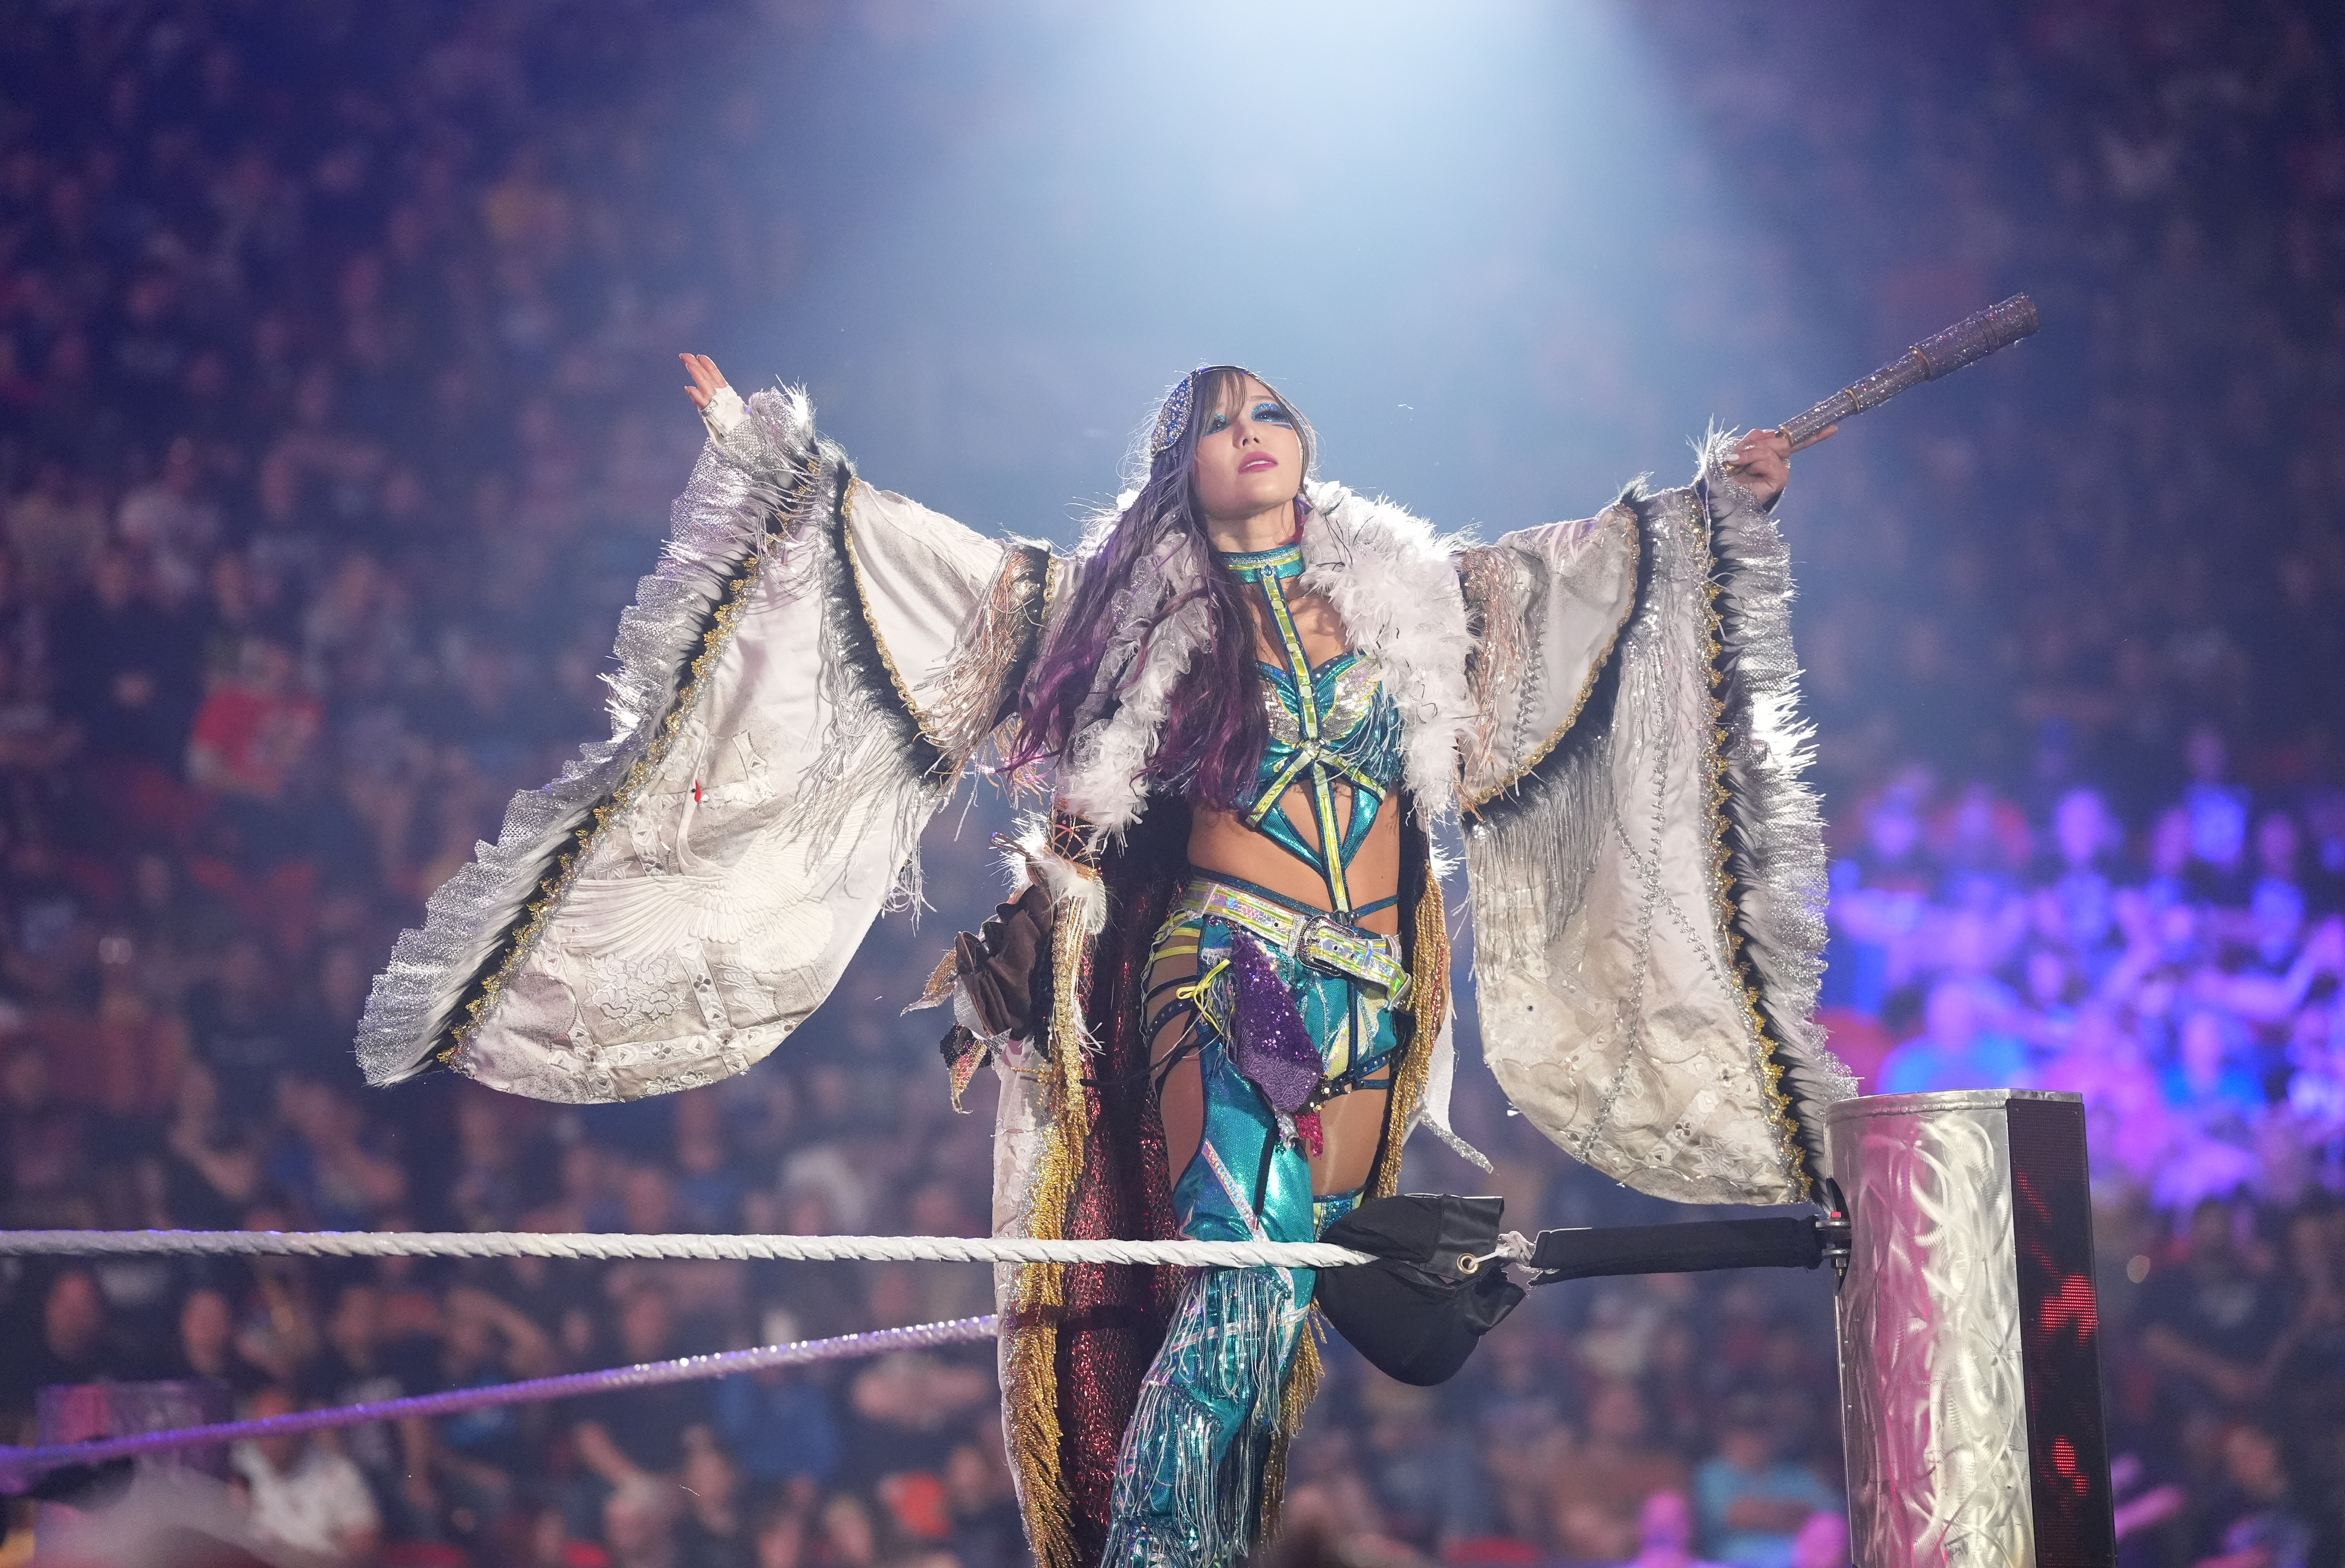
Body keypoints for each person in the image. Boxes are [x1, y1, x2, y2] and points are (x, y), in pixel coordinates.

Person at [359, 359, 1849, 1567]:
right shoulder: (1126, 610)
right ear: (1176, 465)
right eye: (1218, 418)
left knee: (1271, 1326)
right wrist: (785, 472)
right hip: (1230, 971)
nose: (1252, 430)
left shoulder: (1422, 595)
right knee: (1252, 1277)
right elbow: (930, 581)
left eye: (1270, 408)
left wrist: (1716, 508)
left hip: (1373, 998)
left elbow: (1589, 584)